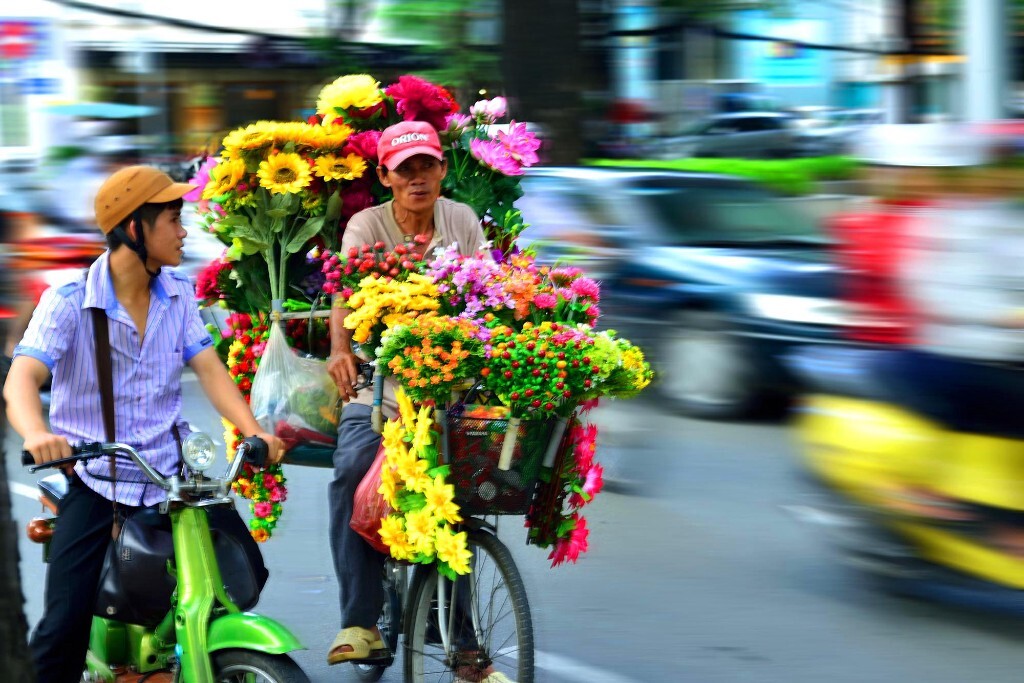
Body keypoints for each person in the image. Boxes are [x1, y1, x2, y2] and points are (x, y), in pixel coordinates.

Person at [3, 165, 285, 683]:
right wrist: (37, 433)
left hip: (169, 470)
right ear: (135, 228)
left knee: (245, 571)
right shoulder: (68, 302)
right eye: (174, 220)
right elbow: (21, 379)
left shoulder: (178, 293)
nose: (184, 232)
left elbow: (211, 370)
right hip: (95, 474)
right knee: (62, 627)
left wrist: (253, 429)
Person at [325, 121, 497, 671]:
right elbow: (345, 294)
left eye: (426, 166)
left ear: (443, 170)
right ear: (385, 177)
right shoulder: (365, 225)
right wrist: (340, 348)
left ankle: (461, 635)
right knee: (351, 470)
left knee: (463, 487)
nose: (417, 178)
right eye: (405, 170)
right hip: (384, 387)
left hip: (452, 385)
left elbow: (489, 294)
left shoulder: (462, 221)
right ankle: (360, 621)